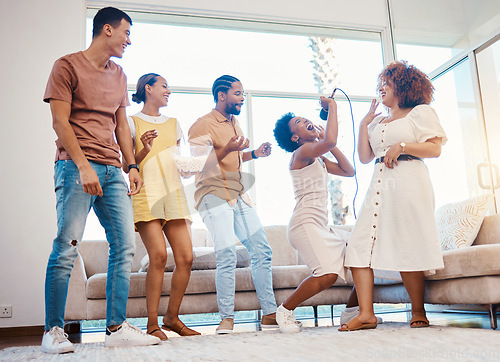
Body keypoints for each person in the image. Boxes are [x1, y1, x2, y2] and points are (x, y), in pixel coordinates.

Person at [42, 7, 160, 354]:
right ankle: (53, 331)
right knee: (67, 246)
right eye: (126, 32)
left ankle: (116, 326)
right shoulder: (66, 65)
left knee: (124, 246)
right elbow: (60, 122)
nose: (129, 40)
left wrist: (132, 165)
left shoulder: (120, 74)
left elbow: (122, 125)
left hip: (111, 169)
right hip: (75, 166)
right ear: (107, 29)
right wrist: (83, 166)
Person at [340, 60, 447, 332]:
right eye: (380, 83)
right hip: (379, 183)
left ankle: (418, 310)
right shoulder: (377, 120)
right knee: (359, 247)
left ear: (403, 86)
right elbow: (365, 158)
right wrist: (364, 123)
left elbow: (434, 149)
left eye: (386, 83)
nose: (381, 88)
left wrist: (402, 145)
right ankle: (366, 314)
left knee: (407, 241)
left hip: (408, 180)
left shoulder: (420, 113)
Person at [188, 75, 277, 334]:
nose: (242, 98)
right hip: (213, 194)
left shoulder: (234, 123)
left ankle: (270, 314)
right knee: (226, 254)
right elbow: (196, 165)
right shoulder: (201, 125)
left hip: (238, 195)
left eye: (242, 93)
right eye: (238, 93)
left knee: (262, 250)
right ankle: (226, 318)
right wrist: (227, 149)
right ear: (222, 95)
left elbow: (233, 158)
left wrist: (254, 154)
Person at [125, 73, 200, 340]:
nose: (169, 90)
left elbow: (179, 163)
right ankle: (152, 324)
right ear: (148, 88)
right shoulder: (131, 122)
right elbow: (127, 165)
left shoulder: (174, 123)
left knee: (186, 258)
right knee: (158, 256)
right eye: (164, 86)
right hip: (146, 193)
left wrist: (190, 168)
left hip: (173, 194)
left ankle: (172, 317)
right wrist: (144, 148)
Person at [272, 97, 355, 333]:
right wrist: (333, 107)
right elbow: (330, 140)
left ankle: (351, 312)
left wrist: (326, 142)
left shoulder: (317, 156)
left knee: (357, 259)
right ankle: (285, 310)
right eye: (299, 122)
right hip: (305, 223)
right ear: (295, 137)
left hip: (320, 225)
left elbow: (349, 171)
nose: (306, 120)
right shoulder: (302, 152)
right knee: (327, 275)